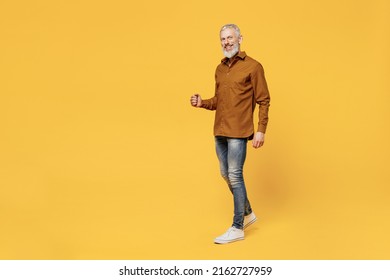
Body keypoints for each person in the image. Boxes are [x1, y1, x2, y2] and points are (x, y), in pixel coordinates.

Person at [190, 24, 271, 244]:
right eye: (223, 39)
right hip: (220, 131)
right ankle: (249, 213)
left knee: (235, 175)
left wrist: (261, 130)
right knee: (226, 174)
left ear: (240, 38)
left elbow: (263, 100)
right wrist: (202, 103)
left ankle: (237, 227)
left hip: (239, 131)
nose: (226, 42)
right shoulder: (219, 68)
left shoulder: (253, 67)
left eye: (230, 38)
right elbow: (219, 101)